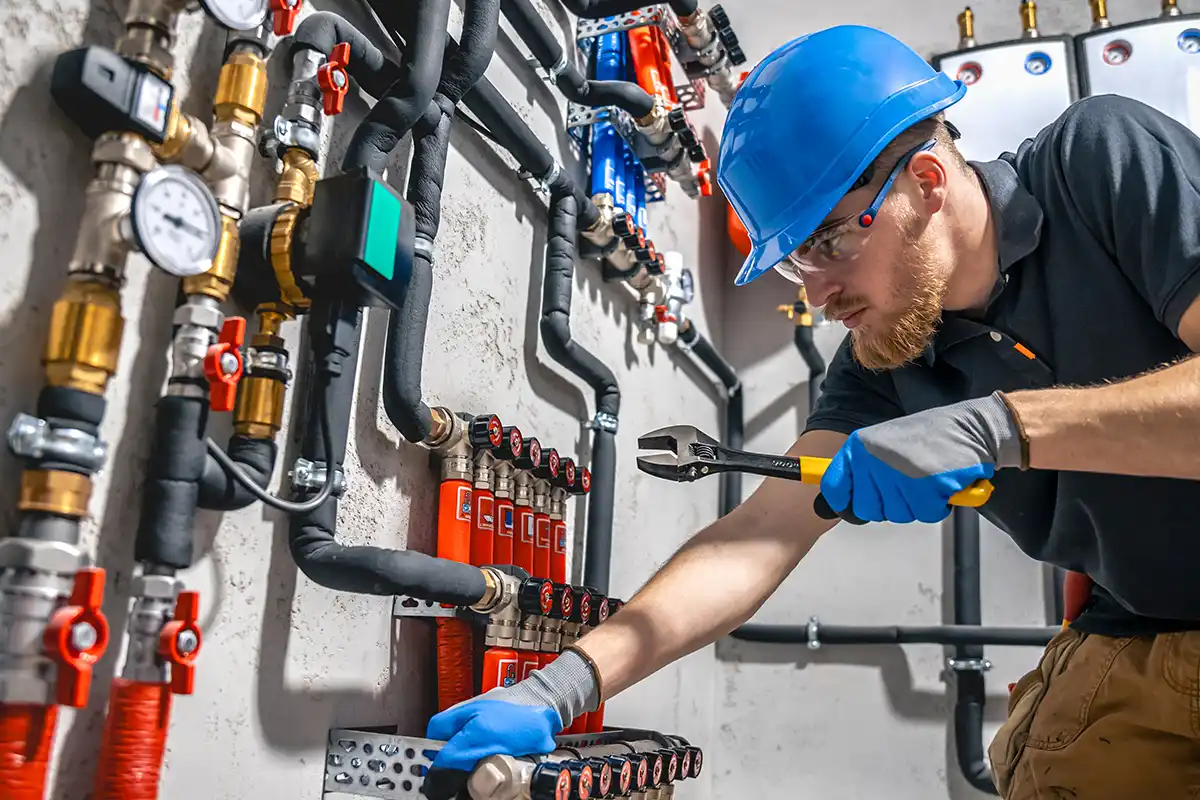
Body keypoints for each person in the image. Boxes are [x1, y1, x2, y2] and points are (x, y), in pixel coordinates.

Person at [424, 24, 1200, 799]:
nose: (815, 294)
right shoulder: (885, 363)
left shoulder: (1100, 161)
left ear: (926, 182)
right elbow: (758, 537)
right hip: (1147, 621)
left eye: (827, 242)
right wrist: (560, 688)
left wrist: (995, 427)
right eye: (795, 262)